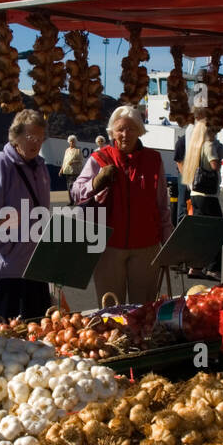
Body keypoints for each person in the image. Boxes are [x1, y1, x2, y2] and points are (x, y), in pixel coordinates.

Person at [71, 105, 171, 305]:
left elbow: (162, 204)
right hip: (109, 246)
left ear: (140, 131)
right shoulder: (100, 158)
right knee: (110, 308)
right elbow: (76, 192)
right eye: (120, 129)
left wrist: (168, 242)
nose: (125, 134)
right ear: (112, 132)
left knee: (143, 308)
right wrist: (95, 182)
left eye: (131, 128)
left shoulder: (154, 160)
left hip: (146, 246)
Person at [0, 109, 52, 321]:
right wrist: (6, 248)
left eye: (41, 138)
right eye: (31, 137)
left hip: (37, 267)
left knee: (38, 332)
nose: (37, 143)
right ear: (16, 135)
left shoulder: (41, 167)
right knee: (5, 336)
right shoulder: (0, 163)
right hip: (9, 268)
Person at [178, 108, 223, 280]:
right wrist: (219, 160)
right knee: (216, 231)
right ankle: (214, 267)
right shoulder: (209, 144)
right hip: (208, 194)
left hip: (196, 192)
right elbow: (214, 165)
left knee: (200, 232)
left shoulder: (194, 145)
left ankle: (195, 266)